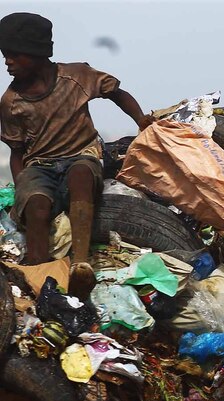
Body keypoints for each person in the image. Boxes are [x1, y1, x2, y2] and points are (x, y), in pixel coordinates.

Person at [0, 12, 152, 295]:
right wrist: (23, 187)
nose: (7, 62)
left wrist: (140, 119)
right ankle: (38, 272)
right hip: (39, 164)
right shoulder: (11, 102)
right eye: (4, 55)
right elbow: (17, 152)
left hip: (80, 153)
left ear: (37, 53)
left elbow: (117, 93)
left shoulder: (77, 76)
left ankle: (81, 264)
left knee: (81, 176)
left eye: (14, 55)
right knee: (37, 206)